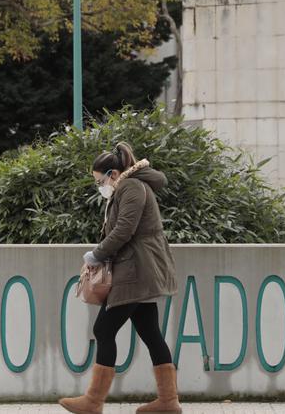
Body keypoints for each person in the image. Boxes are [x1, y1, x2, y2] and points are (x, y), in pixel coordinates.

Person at [59, 143, 180, 414]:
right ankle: (169, 401)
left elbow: (125, 229)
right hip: (137, 268)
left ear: (113, 173)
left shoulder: (131, 188)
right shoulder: (128, 187)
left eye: (101, 181)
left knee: (104, 329)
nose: (100, 186)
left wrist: (96, 255)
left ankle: (93, 401)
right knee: (150, 332)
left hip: (136, 269)